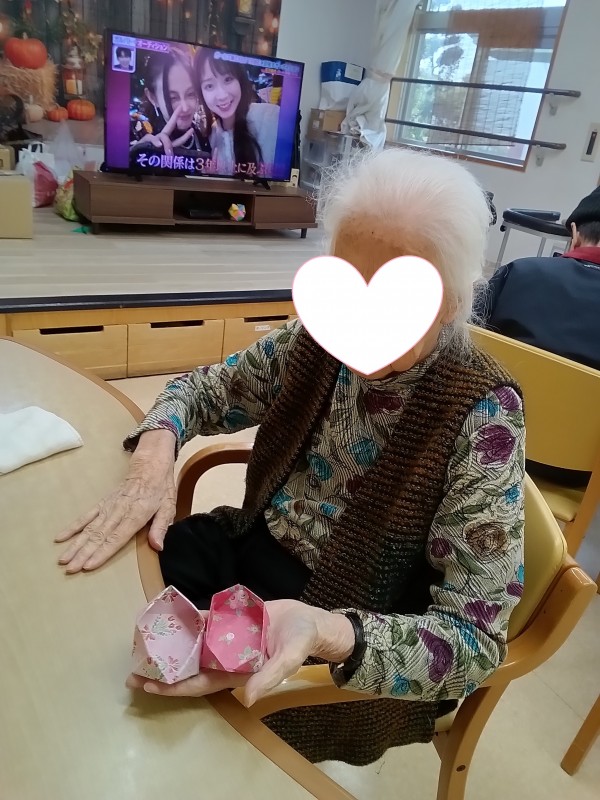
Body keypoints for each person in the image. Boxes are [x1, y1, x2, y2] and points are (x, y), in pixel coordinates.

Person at [56, 148, 525, 767]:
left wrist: (328, 633)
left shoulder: (484, 414)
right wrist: (154, 455)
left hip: (357, 623)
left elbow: (474, 641)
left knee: (204, 744)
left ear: (454, 300)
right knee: (107, 614)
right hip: (253, 551)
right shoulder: (318, 339)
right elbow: (203, 392)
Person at [476, 185, 600, 486]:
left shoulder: (518, 273)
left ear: (574, 232)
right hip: (581, 479)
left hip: (485, 447)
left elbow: (465, 346)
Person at [194, 48, 279, 177]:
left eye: (228, 79)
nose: (222, 95)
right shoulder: (213, 137)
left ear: (240, 79)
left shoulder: (272, 118)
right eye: (209, 86)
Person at [130, 47, 211, 159]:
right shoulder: (139, 135)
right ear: (152, 98)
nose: (185, 108)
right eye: (173, 98)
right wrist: (137, 155)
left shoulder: (199, 134)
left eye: (191, 94)